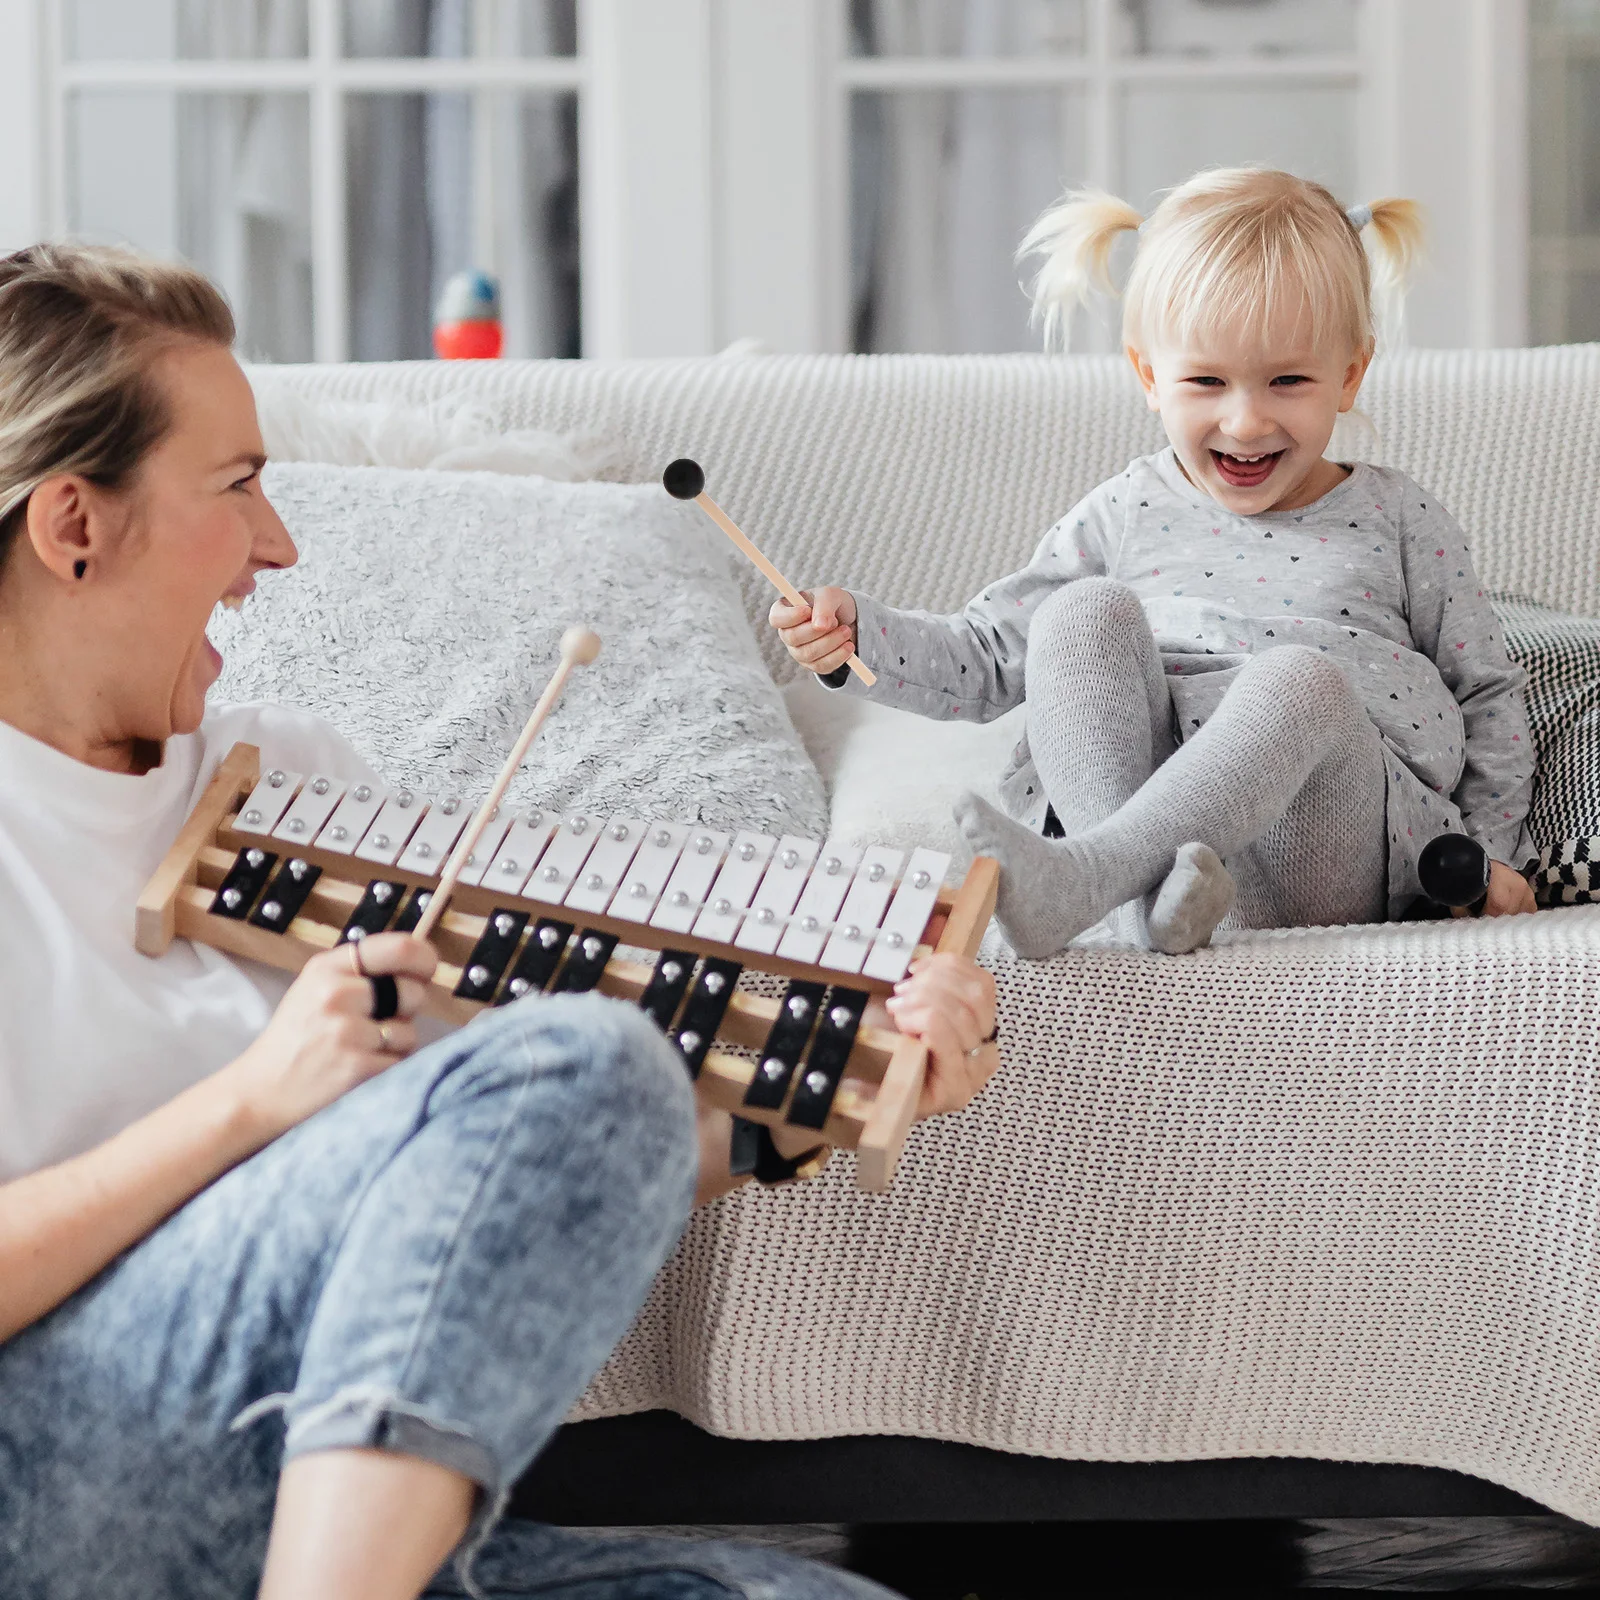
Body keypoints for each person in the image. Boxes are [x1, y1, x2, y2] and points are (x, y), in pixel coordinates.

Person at [0, 243, 1000, 1600]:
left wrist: (825, 1087)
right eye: (237, 488)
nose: (277, 547)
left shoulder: (287, 778)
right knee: (581, 1057)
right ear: (75, 527)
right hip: (58, 1488)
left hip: (315, 1522)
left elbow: (505, 1174)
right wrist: (253, 1103)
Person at [773, 167, 1538, 959]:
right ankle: (1143, 910)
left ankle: (1089, 879)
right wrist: (860, 635)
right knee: (1075, 615)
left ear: (1348, 375)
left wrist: (1495, 854)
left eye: (1289, 381)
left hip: (1324, 843)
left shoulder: (1397, 515)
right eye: (1206, 380)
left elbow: (1486, 694)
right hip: (1168, 858)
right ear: (1148, 376)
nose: (1245, 421)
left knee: (1297, 678)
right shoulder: (1126, 508)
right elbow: (993, 655)